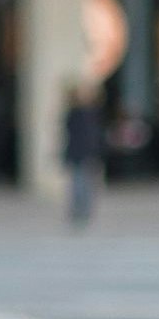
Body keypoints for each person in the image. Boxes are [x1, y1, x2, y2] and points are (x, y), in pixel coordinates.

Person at [63, 81, 107, 229]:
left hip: (85, 154)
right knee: (80, 184)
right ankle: (80, 211)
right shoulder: (79, 114)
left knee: (83, 184)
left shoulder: (88, 114)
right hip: (81, 154)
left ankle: (82, 211)